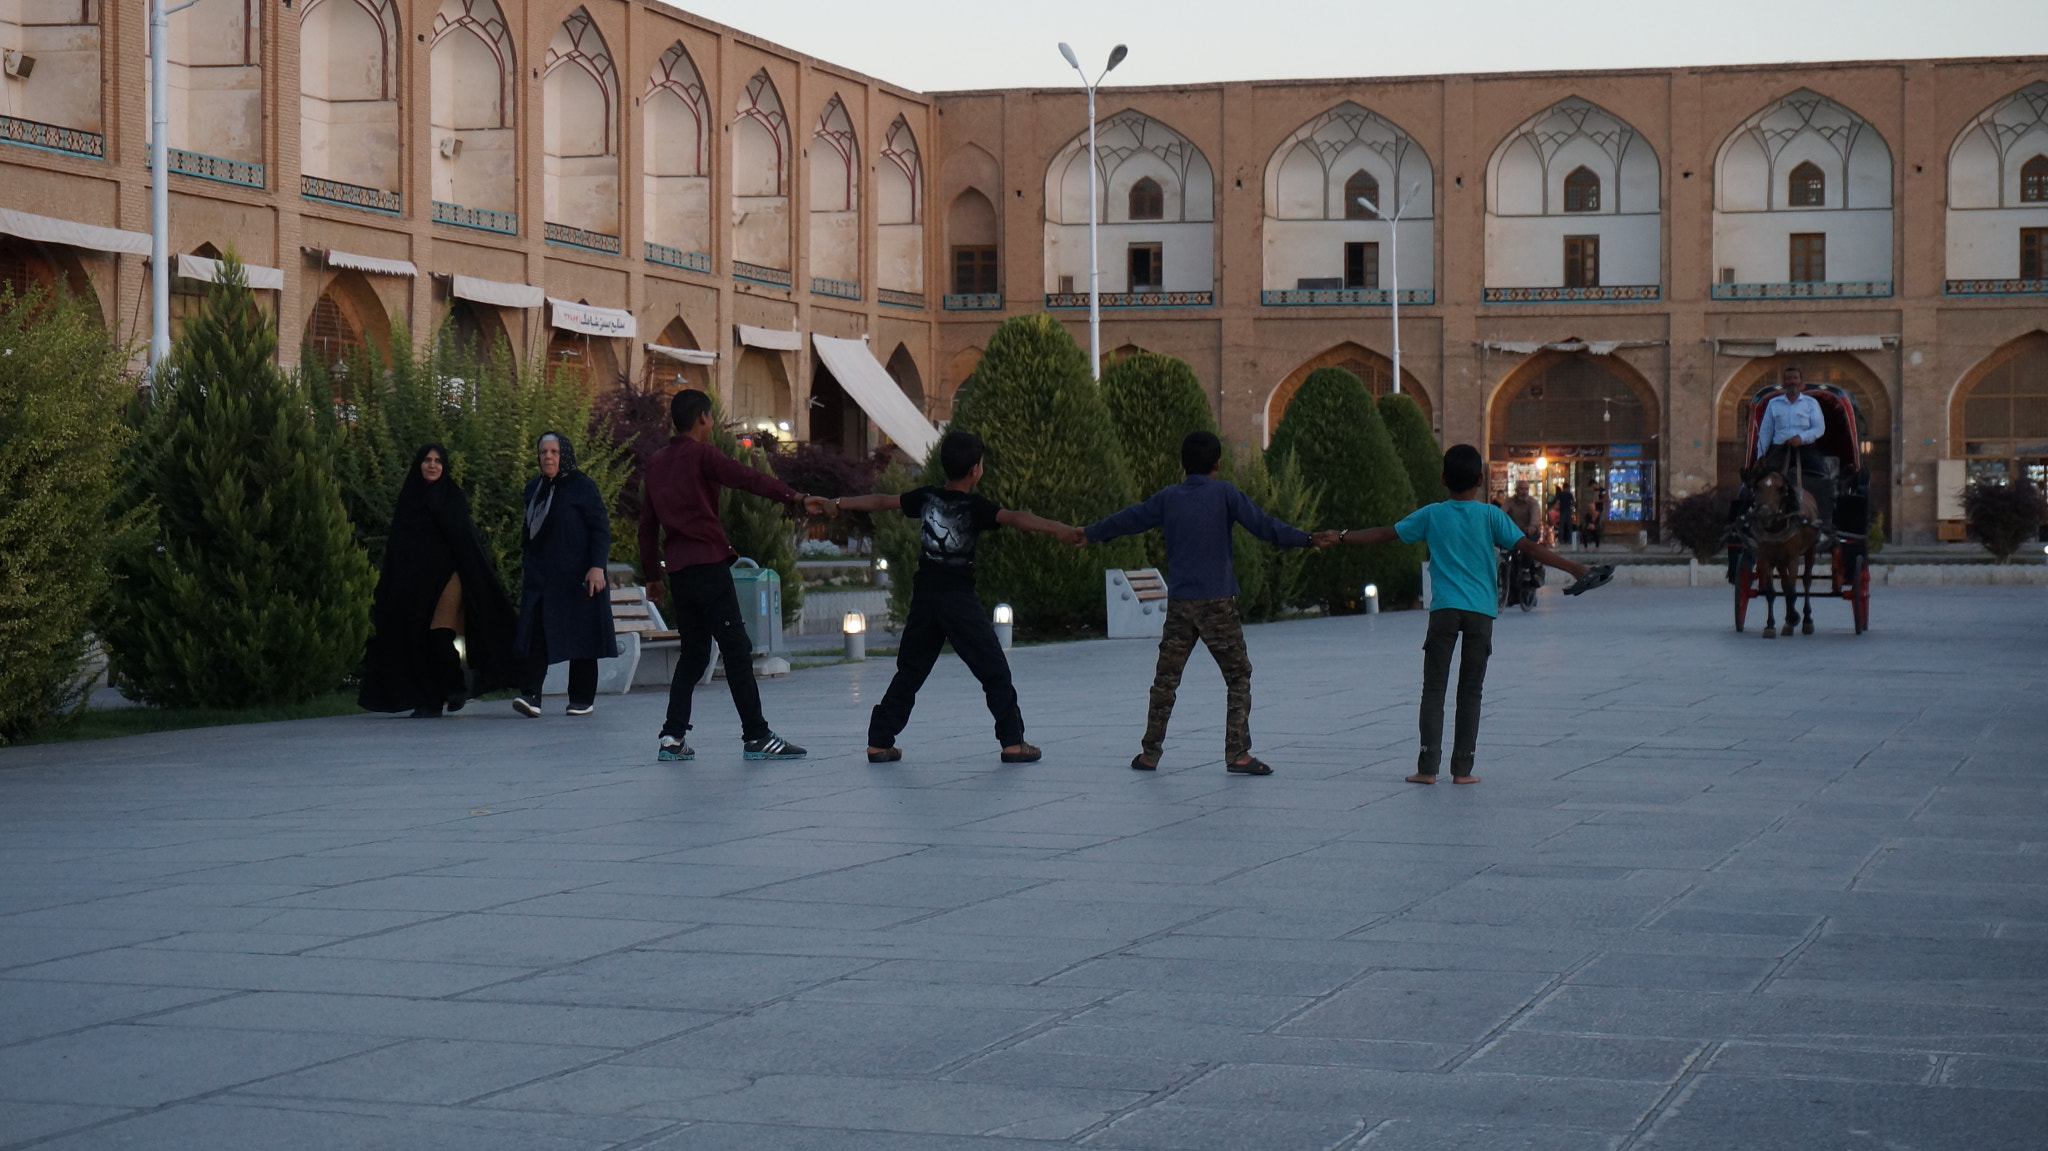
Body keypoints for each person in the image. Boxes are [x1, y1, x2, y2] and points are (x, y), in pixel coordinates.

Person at [1322, 444, 1613, 784]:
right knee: (1470, 691)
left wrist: (1341, 536)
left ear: (1443, 478)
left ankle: (1427, 769)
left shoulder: (1431, 514)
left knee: (1434, 689)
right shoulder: (1490, 516)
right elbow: (1530, 548)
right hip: (1480, 613)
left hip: (1444, 610)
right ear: (1480, 480)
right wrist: (1576, 568)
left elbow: (1385, 534)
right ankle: (1463, 770)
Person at [1077, 431, 1323, 776]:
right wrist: (1307, 539)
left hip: (1180, 603)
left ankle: (1150, 753)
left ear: (1183, 464)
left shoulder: (1168, 498)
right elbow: (1265, 527)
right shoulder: (1225, 493)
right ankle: (1237, 753)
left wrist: (1089, 533)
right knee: (1238, 675)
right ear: (1217, 464)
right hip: (1217, 602)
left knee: (1166, 679)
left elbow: (1128, 519)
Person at [833, 431, 1077, 765]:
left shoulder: (926, 497)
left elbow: (880, 501)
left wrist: (837, 504)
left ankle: (879, 742)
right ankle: (1013, 742)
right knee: (994, 670)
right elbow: (1016, 518)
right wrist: (1057, 528)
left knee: (910, 670)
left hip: (925, 598)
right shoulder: (975, 507)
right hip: (958, 600)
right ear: (976, 469)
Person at [638, 389, 832, 763]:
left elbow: (647, 526)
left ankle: (672, 737)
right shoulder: (702, 454)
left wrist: (653, 577)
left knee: (693, 654)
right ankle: (756, 736)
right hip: (708, 566)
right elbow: (747, 478)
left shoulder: (658, 462)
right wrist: (793, 497)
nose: (711, 424)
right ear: (702, 419)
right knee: (737, 648)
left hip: (678, 572)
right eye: (710, 418)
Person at [359, 443, 517, 717]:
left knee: (439, 632)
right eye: (427, 460)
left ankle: (455, 685)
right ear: (418, 464)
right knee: (419, 637)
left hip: (451, 576)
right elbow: (400, 546)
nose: (432, 465)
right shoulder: (410, 499)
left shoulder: (452, 496)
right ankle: (432, 698)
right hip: (419, 581)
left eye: (438, 461)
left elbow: (465, 539)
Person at [513, 432, 615, 718]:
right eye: (543, 451)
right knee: (537, 634)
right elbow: (530, 533)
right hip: (543, 577)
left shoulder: (582, 487)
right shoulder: (534, 488)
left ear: (564, 454)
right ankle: (530, 695)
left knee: (582, 635)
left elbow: (600, 528)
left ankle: (582, 698)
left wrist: (597, 566)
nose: (548, 457)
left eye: (554, 452)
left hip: (578, 577)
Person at [1754, 366, 1835, 527]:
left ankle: (1823, 523)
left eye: (1795, 378)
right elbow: (1765, 432)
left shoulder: (1811, 404)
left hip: (1805, 449)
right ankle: (1758, 519)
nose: (1791, 381)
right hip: (1779, 450)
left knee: (1822, 477)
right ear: (1784, 382)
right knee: (1762, 480)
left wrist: (1801, 438)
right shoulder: (1773, 404)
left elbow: (1819, 428)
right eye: (1788, 378)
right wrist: (1760, 457)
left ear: (1801, 382)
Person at [1547, 483, 1577, 549]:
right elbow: (1573, 502)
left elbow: (1557, 501)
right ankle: (1570, 540)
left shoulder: (1560, 494)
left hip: (1562, 511)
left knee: (1561, 526)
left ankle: (1561, 540)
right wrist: (1570, 506)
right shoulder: (1569, 494)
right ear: (1567, 488)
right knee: (1569, 526)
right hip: (1568, 511)